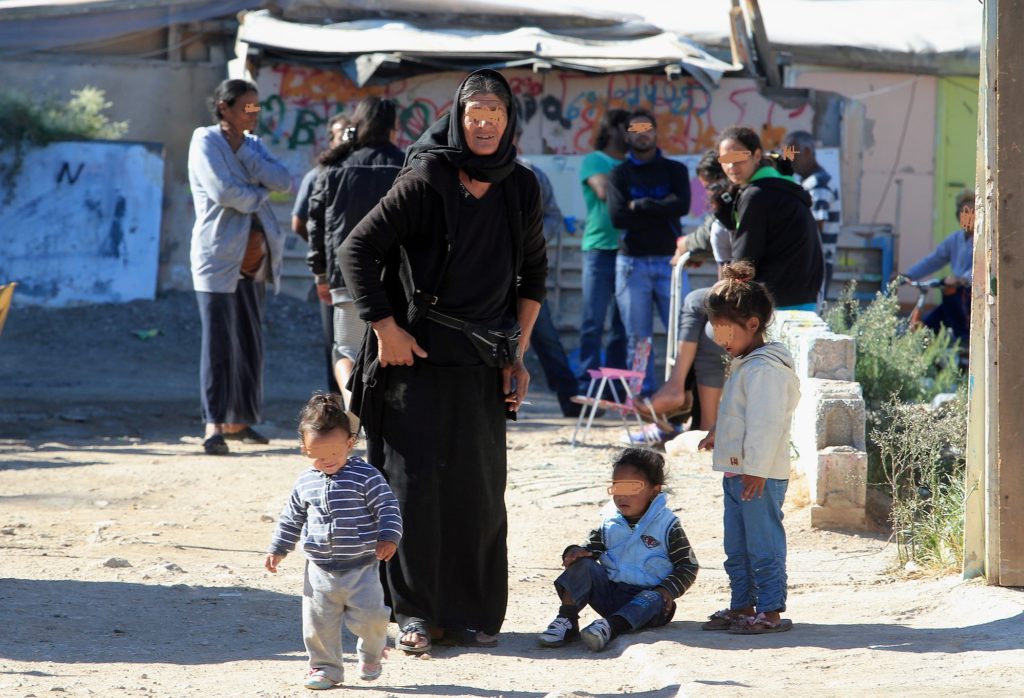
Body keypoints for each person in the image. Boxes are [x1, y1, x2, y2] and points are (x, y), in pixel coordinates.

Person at [339, 69, 547, 652]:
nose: (484, 124)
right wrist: (385, 328)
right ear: (459, 117)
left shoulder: (521, 186)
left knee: (478, 492)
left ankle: (471, 613)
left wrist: (518, 352)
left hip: (482, 363)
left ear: (509, 121)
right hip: (415, 362)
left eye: (495, 114)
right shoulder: (427, 176)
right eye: (475, 113)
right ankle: (413, 612)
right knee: (413, 491)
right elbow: (357, 248)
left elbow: (534, 274)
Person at [265, 393, 402, 690]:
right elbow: (292, 518)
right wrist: (279, 548)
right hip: (319, 571)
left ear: (350, 444)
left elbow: (388, 507)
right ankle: (325, 669)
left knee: (373, 620)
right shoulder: (305, 482)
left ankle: (372, 653)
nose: (327, 462)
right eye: (318, 456)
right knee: (318, 626)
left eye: (335, 455)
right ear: (303, 449)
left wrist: (388, 536)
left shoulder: (366, 476)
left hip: (361, 567)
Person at [187, 79, 292, 456]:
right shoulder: (205, 141)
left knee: (249, 341)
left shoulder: (253, 145)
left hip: (256, 260)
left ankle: (240, 420)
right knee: (218, 343)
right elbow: (223, 192)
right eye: (247, 107)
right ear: (224, 108)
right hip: (218, 258)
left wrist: (250, 162)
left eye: (256, 106)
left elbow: (283, 180)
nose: (254, 113)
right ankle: (213, 423)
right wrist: (258, 192)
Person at [697, 261, 799, 635]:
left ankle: (770, 611)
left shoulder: (765, 370)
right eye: (716, 330)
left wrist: (754, 468)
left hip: (759, 475)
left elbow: (766, 425)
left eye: (725, 330)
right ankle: (742, 605)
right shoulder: (746, 364)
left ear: (752, 324)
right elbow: (740, 415)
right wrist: (717, 433)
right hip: (738, 473)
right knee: (736, 545)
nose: (720, 339)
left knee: (763, 543)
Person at [536, 448, 698, 652]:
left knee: (653, 599)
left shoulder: (667, 525)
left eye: (632, 487)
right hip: (611, 594)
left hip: (649, 602)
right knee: (583, 564)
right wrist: (575, 551)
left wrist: (666, 590)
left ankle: (610, 627)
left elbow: (687, 565)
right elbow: (590, 549)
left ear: (654, 490)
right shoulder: (609, 522)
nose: (622, 496)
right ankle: (567, 619)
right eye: (617, 487)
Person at [307, 98, 404, 408]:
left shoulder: (334, 168)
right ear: (394, 127)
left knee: (346, 350)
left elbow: (316, 225)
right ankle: (386, 411)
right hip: (397, 280)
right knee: (393, 348)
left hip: (346, 279)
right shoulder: (408, 165)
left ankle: (353, 405)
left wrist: (320, 273)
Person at [606, 109, 691, 395]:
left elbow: (682, 205)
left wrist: (638, 205)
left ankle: (681, 398)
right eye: (636, 129)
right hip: (632, 264)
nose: (643, 134)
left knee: (682, 335)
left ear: (656, 132)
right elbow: (618, 217)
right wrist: (660, 205)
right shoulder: (618, 174)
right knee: (638, 340)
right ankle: (641, 402)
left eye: (648, 128)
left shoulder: (675, 170)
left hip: (670, 262)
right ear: (627, 135)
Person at [714, 126, 823, 309]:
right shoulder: (780, 186)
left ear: (757, 155)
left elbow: (745, 257)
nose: (731, 166)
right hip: (803, 298)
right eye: (726, 159)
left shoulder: (757, 194)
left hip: (775, 303)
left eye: (738, 157)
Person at [516, 127, 583, 417]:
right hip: (484, 276)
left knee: (544, 338)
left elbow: (552, 214)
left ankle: (570, 399)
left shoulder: (530, 174)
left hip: (523, 275)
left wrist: (531, 242)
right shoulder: (469, 171)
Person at [293, 114, 350, 394]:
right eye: (342, 134)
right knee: (336, 343)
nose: (347, 139)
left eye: (352, 132)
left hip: (364, 274)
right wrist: (323, 255)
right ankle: (336, 407)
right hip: (333, 274)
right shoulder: (318, 174)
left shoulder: (362, 168)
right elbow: (299, 222)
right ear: (331, 138)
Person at [577, 109, 631, 387]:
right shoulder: (594, 160)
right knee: (592, 323)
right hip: (599, 249)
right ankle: (587, 384)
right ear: (611, 129)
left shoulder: (633, 162)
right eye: (627, 127)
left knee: (622, 327)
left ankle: (613, 388)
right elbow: (603, 191)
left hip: (629, 251)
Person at [900, 189, 975, 345]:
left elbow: (982, 268)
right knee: (925, 328)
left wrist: (963, 279)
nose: (968, 216)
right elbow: (933, 260)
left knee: (963, 335)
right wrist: (908, 276)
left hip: (970, 298)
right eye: (964, 212)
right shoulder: (955, 239)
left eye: (973, 212)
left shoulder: (985, 240)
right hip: (951, 295)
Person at [782, 130, 840, 299]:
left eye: (791, 153)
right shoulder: (809, 182)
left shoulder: (819, 184)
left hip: (813, 264)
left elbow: (815, 230)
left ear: (807, 152)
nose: (787, 159)